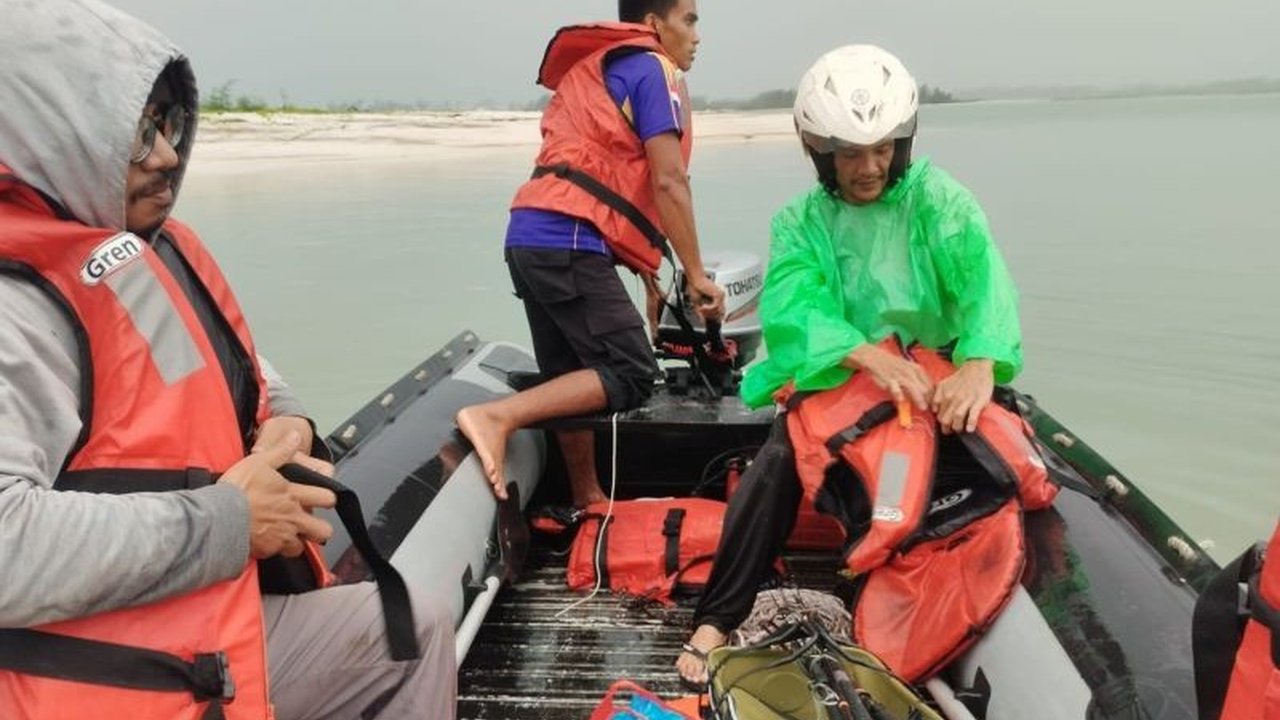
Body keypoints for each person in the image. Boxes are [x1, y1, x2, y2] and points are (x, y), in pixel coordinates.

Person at [0, 2, 455, 718]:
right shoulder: (17, 307)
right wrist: (229, 523)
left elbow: (244, 371)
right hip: (105, 666)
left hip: (198, 612)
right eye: (135, 134)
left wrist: (291, 422)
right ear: (54, 138)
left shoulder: (141, 255)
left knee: (410, 629)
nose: (167, 156)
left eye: (170, 125)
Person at [675, 44, 1026, 686]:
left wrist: (980, 362)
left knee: (985, 462)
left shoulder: (939, 202)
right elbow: (793, 304)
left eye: (882, 149)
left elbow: (986, 288)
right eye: (851, 154)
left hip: (937, 371)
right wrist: (865, 353)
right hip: (845, 374)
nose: (869, 167)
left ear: (904, 142)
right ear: (819, 152)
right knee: (778, 459)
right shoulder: (802, 222)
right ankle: (717, 619)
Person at [456, 0, 726, 508]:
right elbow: (668, 181)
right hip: (568, 240)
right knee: (631, 372)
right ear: (653, 24)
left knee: (567, 371)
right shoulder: (651, 69)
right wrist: (695, 275)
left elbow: (604, 184)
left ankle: (588, 495)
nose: (697, 35)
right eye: (689, 20)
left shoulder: (604, 69)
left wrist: (649, 278)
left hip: (530, 235)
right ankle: (498, 416)